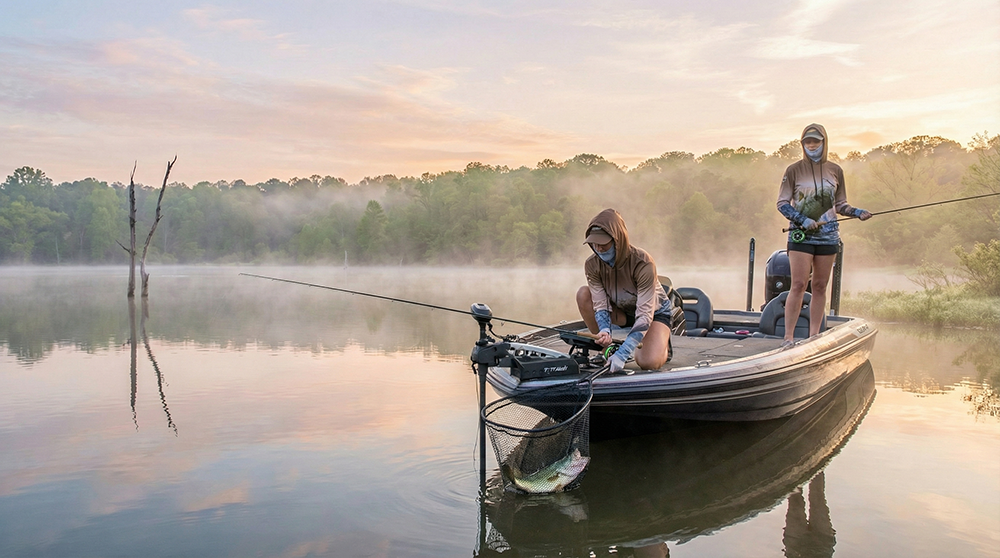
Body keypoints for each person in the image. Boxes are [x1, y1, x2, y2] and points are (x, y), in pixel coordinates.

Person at [777, 124, 871, 347]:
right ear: (803, 144)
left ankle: (813, 338)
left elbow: (840, 204)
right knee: (799, 285)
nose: (811, 145)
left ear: (823, 142)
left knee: (820, 286)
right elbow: (781, 203)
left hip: (828, 237)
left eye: (816, 141)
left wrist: (857, 212)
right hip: (801, 237)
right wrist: (803, 220)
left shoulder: (835, 170)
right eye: (807, 142)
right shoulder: (793, 170)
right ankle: (788, 338)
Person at [576, 208, 673, 373]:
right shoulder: (591, 264)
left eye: (603, 243)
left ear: (617, 240)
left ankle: (664, 344)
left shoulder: (643, 263)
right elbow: (600, 304)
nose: (598, 248)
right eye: (594, 243)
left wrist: (623, 354)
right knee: (583, 294)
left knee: (648, 362)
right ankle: (605, 349)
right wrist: (604, 330)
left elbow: (644, 316)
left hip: (653, 313)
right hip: (622, 311)